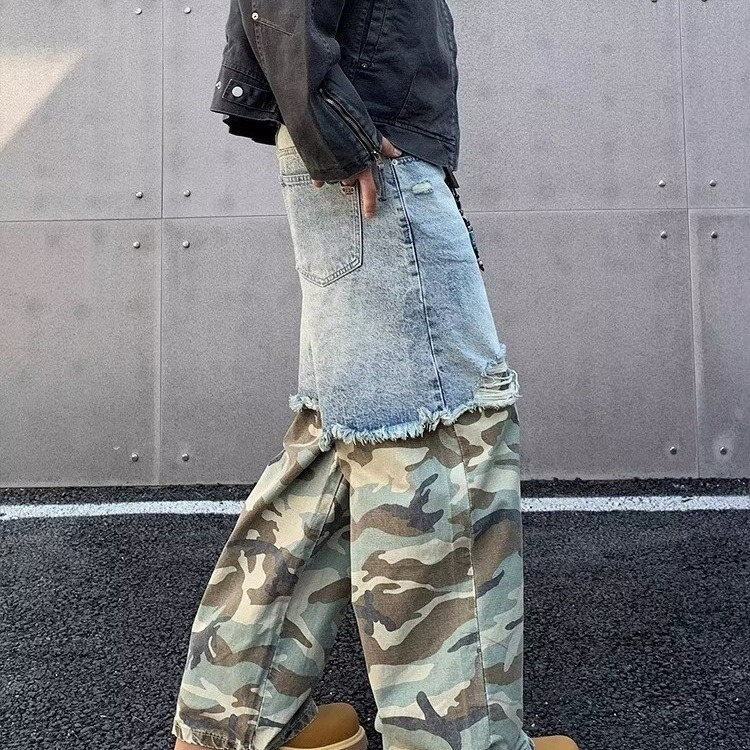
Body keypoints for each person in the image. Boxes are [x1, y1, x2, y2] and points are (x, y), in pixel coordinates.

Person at [171, 1, 579, 750]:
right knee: (441, 447)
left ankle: (235, 724)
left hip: (362, 142)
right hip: (374, 154)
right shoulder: (358, 136)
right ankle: (459, 740)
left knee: (341, 447)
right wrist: (343, 131)